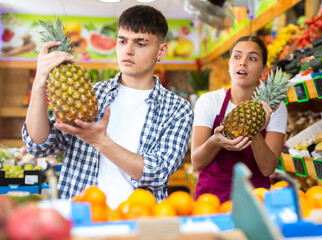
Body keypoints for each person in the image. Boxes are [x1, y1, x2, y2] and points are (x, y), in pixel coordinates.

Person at [22, 5, 194, 209]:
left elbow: (157, 172)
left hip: (139, 220)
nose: (128, 50)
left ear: (161, 51)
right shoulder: (89, 93)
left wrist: (100, 141)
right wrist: (39, 83)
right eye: (122, 41)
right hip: (81, 216)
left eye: (140, 43)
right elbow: (40, 145)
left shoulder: (178, 109)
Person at [191, 35, 287, 203]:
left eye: (252, 58)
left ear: (264, 70)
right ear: (229, 64)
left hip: (255, 198)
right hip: (212, 198)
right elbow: (197, 163)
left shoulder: (275, 109)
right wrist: (215, 141)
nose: (243, 62)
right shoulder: (209, 101)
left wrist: (254, 130)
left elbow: (267, 169)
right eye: (237, 56)